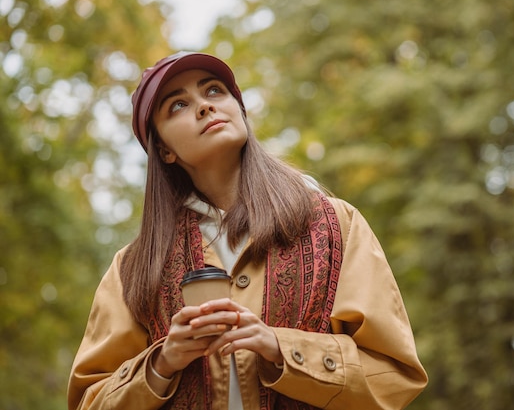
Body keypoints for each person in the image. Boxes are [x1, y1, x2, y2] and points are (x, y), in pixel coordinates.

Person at [67, 51, 427, 410]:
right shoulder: (133, 267)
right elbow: (90, 400)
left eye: (214, 91)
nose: (204, 106)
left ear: (240, 110)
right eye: (177, 105)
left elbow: (394, 375)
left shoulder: (334, 223)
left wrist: (280, 348)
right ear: (163, 150)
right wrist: (162, 363)